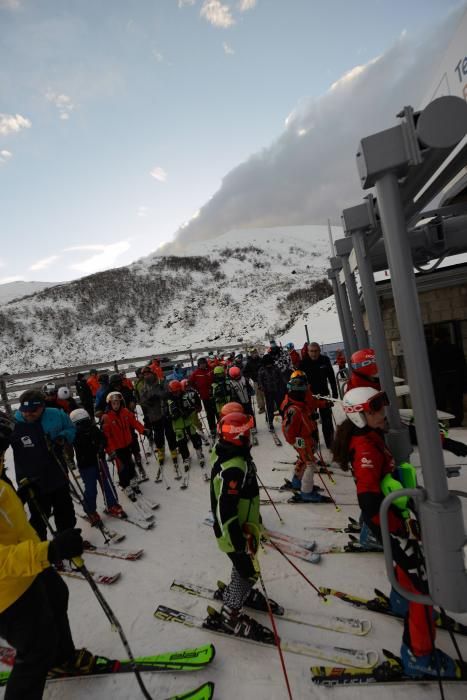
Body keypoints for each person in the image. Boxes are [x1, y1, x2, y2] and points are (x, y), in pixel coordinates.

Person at [332, 387, 461, 678]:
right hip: (391, 524)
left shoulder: (372, 436)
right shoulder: (365, 447)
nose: (383, 412)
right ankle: (419, 655)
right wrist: (399, 535)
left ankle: (401, 602)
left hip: (396, 521)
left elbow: (410, 433)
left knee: (409, 574)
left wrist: (448, 442)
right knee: (421, 586)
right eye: (375, 408)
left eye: (382, 406)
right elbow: (368, 501)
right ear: (359, 415)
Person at [0, 411, 97, 700]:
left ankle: (62, 657)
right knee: (35, 649)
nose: (4, 452)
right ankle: (48, 659)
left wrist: (20, 494)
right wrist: (50, 550)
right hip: (7, 589)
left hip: (29, 567)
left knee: (56, 594)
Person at [206, 410, 274, 641]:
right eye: (246, 433)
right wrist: (236, 537)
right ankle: (231, 612)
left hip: (243, 525)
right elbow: (225, 507)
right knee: (249, 571)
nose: (250, 437)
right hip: (234, 531)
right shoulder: (235, 467)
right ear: (238, 437)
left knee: (243, 565)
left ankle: (238, 588)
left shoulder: (231, 454)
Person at [10, 390, 77, 542]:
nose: (28, 414)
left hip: (57, 470)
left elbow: (71, 428)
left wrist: (63, 437)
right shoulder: (16, 423)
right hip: (33, 478)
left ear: (42, 406)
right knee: (39, 515)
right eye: (25, 411)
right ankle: (42, 549)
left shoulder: (56, 414)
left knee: (64, 508)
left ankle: (67, 540)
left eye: (33, 411)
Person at [280, 374, 332, 503]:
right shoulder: (294, 409)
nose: (306, 394)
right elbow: (287, 429)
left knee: (304, 460)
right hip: (302, 440)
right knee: (310, 464)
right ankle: (306, 492)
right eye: (303, 392)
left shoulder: (301, 403)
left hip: (308, 436)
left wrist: (321, 407)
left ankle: (297, 481)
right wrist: (297, 443)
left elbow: (311, 404)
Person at [70, 408, 126, 523]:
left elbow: (103, 439)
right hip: (86, 465)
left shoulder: (93, 429)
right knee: (91, 489)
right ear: (76, 425)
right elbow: (78, 447)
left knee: (107, 483)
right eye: (81, 424)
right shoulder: (74, 435)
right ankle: (90, 510)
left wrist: (101, 445)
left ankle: (112, 504)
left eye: (86, 421)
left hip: (99, 461)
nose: (85, 425)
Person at [100, 392, 147, 502]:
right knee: (122, 467)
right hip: (116, 448)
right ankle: (125, 485)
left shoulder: (125, 412)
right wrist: (110, 451)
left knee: (130, 464)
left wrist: (143, 430)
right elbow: (106, 437)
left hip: (127, 444)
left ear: (121, 403)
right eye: (113, 403)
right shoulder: (106, 417)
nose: (116, 404)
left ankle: (132, 480)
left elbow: (134, 423)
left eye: (117, 402)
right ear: (110, 404)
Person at [299, 342, 338, 448]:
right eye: (311, 351)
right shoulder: (303, 363)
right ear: (308, 352)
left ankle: (330, 442)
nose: (314, 354)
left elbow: (331, 377)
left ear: (319, 351)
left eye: (316, 351)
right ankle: (314, 442)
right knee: (311, 421)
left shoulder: (324, 360)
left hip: (324, 394)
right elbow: (299, 382)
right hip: (310, 396)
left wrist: (335, 392)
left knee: (327, 420)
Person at [139, 366, 179, 469]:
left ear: (152, 373)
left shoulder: (162, 382)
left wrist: (159, 395)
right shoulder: (143, 387)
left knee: (170, 432)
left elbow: (168, 392)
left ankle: (173, 449)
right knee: (158, 435)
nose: (146, 376)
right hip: (154, 414)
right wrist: (149, 401)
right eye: (144, 375)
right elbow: (142, 401)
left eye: (148, 374)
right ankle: (160, 451)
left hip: (164, 411)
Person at [429, 327, 466, 427]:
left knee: (441, 404)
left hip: (439, 381)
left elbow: (430, 368)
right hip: (454, 379)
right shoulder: (455, 348)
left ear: (436, 337)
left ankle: (441, 426)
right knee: (456, 404)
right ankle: (456, 425)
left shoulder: (432, 350)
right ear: (448, 336)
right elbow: (462, 367)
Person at [167, 380, 205, 472]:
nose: (177, 393)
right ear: (171, 391)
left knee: (194, 437)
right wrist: (173, 416)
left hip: (188, 422)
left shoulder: (185, 397)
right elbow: (166, 414)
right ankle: (185, 457)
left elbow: (192, 407)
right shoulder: (168, 401)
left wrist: (187, 412)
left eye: (179, 391)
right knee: (181, 442)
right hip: (178, 425)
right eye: (175, 392)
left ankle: (199, 452)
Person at [257, 354, 286, 431]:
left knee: (281, 406)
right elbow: (260, 381)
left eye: (270, 363)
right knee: (270, 408)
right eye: (268, 364)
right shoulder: (262, 370)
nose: (269, 365)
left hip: (278, 391)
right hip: (268, 392)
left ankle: (284, 420)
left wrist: (284, 387)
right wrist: (261, 387)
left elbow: (281, 378)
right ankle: (270, 422)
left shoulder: (276, 368)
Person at [189, 357, 217, 438]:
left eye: (204, 363)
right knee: (210, 414)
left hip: (214, 394)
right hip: (205, 397)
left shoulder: (211, 369)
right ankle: (213, 430)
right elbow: (190, 382)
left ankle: (220, 427)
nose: (203, 365)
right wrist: (197, 389)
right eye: (201, 364)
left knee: (217, 412)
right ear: (198, 365)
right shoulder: (196, 373)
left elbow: (216, 377)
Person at [244, 347, 265, 414]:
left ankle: (272, 406)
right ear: (251, 354)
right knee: (258, 395)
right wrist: (250, 375)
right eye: (252, 353)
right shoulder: (249, 362)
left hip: (264, 379)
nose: (254, 354)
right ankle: (261, 407)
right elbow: (245, 372)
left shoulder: (261, 360)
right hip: (256, 380)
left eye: (255, 353)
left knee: (266, 393)